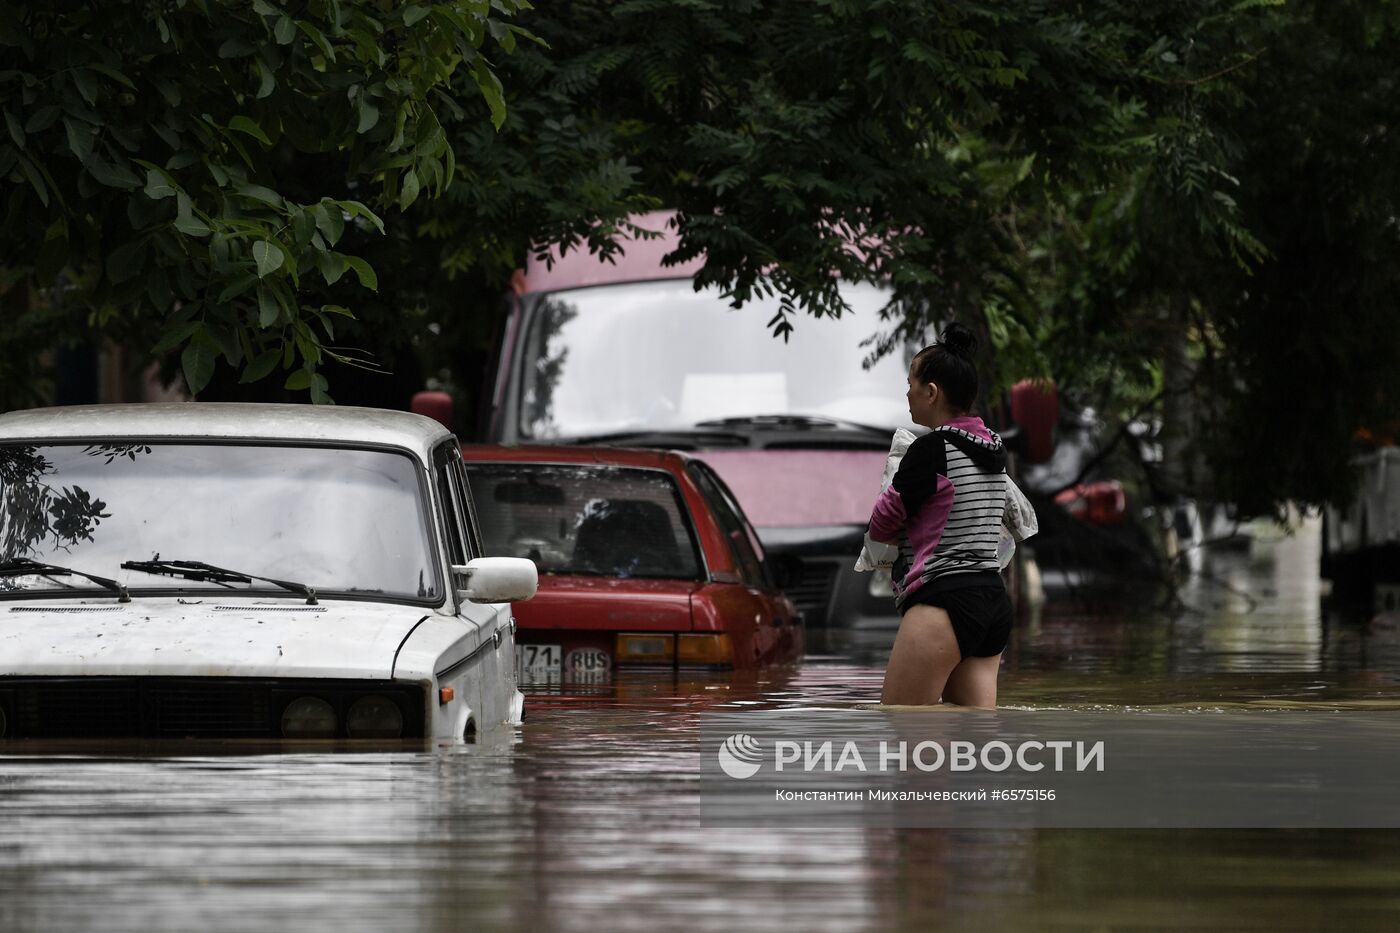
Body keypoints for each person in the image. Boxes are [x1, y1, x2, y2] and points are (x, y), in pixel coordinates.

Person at [867, 322, 1012, 707]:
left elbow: (881, 525)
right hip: (992, 601)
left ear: (931, 392)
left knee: (903, 731)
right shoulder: (994, 450)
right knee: (975, 749)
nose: (908, 395)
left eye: (911, 385)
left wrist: (893, 475)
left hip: (943, 602)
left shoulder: (931, 451)